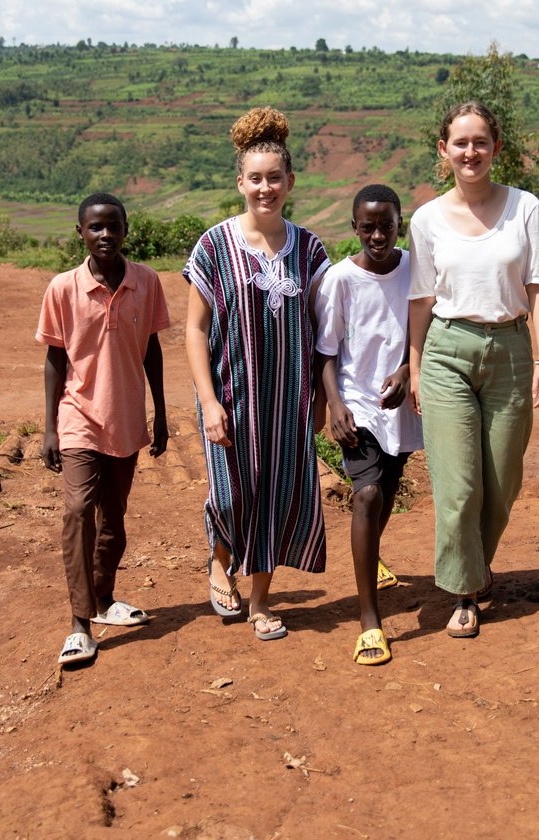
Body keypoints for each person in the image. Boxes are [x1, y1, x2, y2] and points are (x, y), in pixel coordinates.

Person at [407, 101, 539, 638]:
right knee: (458, 485)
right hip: (448, 350)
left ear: (496, 148)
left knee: (501, 482)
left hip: (512, 351)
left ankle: (477, 563)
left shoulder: (525, 208)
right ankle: (464, 592)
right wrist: (416, 367)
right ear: (443, 151)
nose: (471, 152)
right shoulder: (425, 219)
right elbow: (422, 299)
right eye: (460, 143)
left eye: (481, 142)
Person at [183, 106, 329, 641]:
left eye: (275, 178)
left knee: (276, 494)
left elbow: (325, 331)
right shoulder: (214, 246)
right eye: (255, 179)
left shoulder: (309, 249)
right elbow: (195, 330)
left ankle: (261, 602)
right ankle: (220, 563)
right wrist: (209, 399)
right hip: (229, 396)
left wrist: (320, 396)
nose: (265, 188)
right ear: (239, 181)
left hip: (288, 402)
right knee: (229, 493)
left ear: (289, 182)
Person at [36, 192, 170, 665]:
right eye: (95, 228)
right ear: (80, 233)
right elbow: (55, 358)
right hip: (77, 417)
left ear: (126, 229)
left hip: (127, 416)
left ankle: (104, 598)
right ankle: (79, 625)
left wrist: (161, 411)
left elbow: (152, 349)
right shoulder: (62, 288)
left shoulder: (147, 282)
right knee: (78, 510)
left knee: (113, 521)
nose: (105, 235)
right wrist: (50, 427)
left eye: (113, 226)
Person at [316, 184, 423, 665]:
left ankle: (371, 554)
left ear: (400, 223)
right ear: (354, 228)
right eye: (367, 227)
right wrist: (334, 403)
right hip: (356, 402)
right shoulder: (340, 279)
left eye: (386, 225)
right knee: (368, 493)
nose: (377, 235)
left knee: (390, 485)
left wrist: (406, 372)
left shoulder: (415, 270)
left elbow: (425, 329)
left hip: (400, 403)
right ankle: (369, 622)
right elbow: (327, 350)